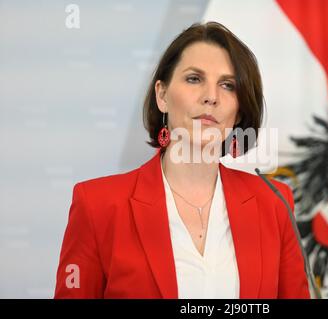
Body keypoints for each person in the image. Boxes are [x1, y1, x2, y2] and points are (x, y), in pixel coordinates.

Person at [54, 21, 310, 299]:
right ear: (162, 95)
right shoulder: (97, 206)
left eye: (227, 85)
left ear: (239, 112)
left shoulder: (274, 204)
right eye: (194, 79)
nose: (211, 97)